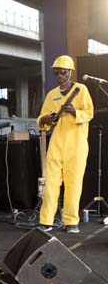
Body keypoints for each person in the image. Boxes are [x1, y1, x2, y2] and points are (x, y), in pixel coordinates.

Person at [37, 55, 94, 234]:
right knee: (51, 183)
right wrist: (47, 118)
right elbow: (41, 118)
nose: (60, 75)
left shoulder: (81, 89)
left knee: (73, 184)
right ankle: (46, 221)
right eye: (57, 72)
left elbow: (89, 113)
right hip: (56, 143)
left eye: (63, 72)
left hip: (76, 145)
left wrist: (74, 111)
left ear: (70, 72)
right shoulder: (51, 95)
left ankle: (71, 222)